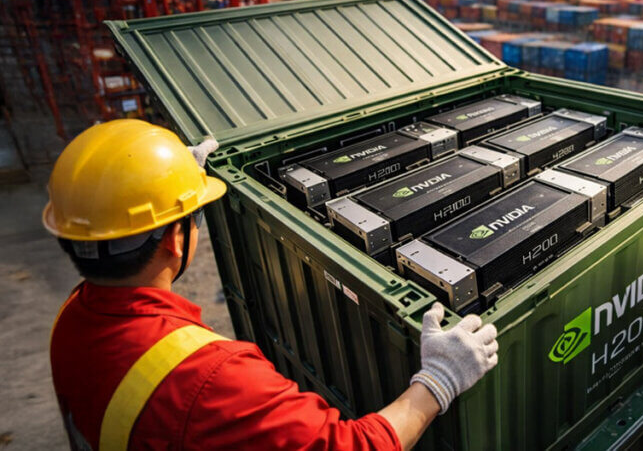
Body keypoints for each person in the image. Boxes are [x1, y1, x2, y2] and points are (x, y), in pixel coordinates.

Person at [46, 119, 498, 451]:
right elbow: (353, 446)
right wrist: (437, 381)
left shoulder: (72, 319)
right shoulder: (210, 377)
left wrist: (173, 188)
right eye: (192, 216)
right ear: (175, 240)